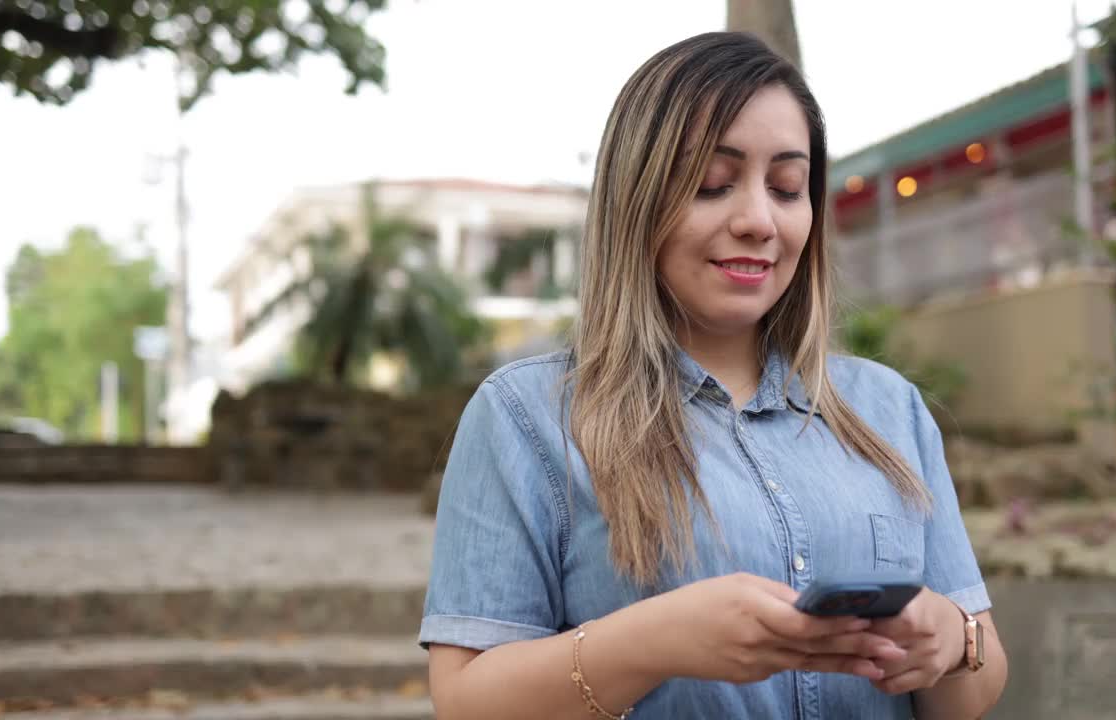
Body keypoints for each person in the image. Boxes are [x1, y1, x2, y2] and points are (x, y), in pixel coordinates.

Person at [419, 31, 1008, 720]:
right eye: (711, 185)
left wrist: (949, 640)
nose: (759, 220)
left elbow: (973, 688)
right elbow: (465, 702)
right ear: (636, 199)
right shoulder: (526, 416)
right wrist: (653, 641)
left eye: (787, 188)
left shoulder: (889, 409)